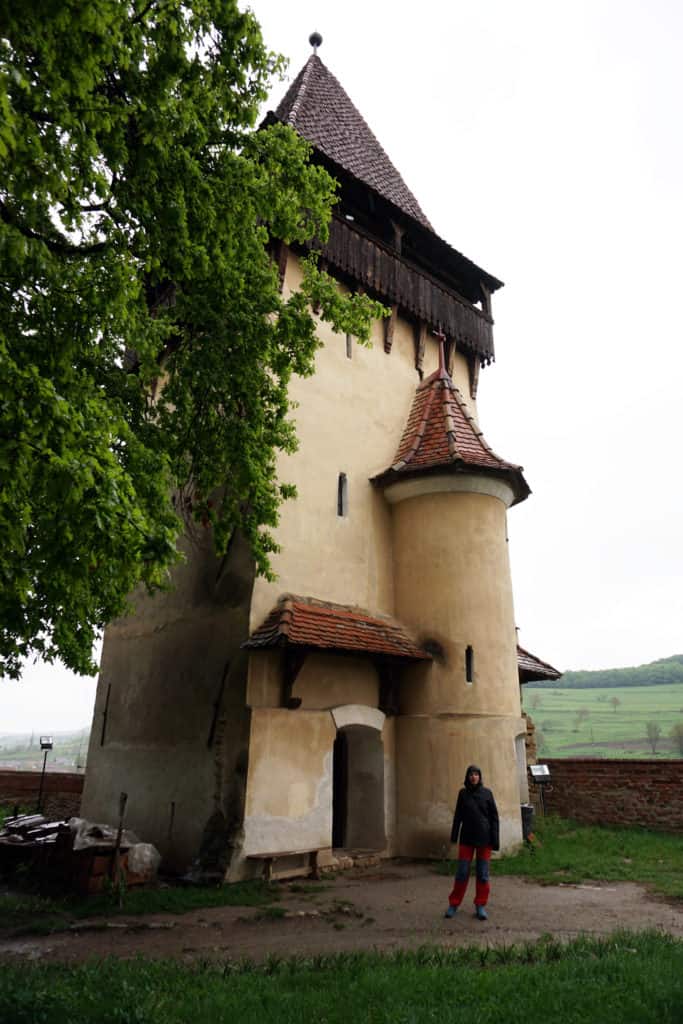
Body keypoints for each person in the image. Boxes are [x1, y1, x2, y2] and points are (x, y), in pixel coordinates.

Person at [444, 764, 499, 921]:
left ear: (480, 777)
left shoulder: (487, 793)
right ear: (467, 777)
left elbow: (494, 818)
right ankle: (454, 904)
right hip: (467, 839)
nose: (474, 777)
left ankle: (480, 905)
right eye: (471, 774)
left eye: (476, 774)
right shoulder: (463, 794)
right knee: (462, 873)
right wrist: (454, 836)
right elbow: (458, 816)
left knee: (482, 875)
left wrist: (495, 840)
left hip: (485, 839)